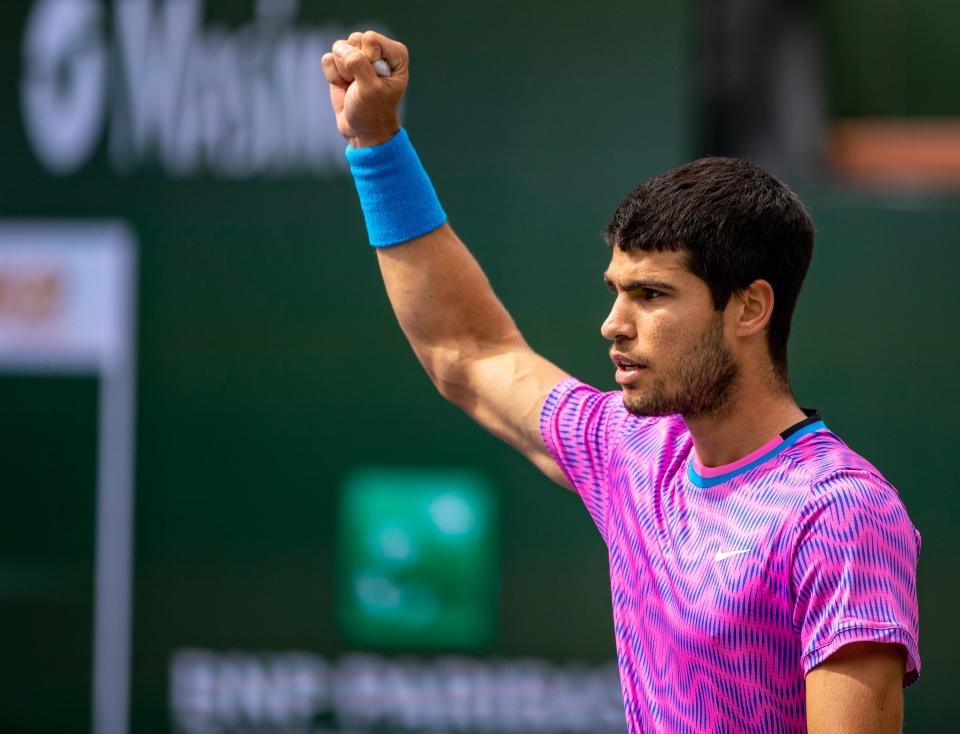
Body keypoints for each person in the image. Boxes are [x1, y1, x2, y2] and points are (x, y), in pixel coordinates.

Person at [321, 30, 921, 734]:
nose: (613, 324)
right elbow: (467, 350)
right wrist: (377, 143)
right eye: (615, 291)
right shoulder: (630, 448)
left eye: (652, 296)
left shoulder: (840, 513)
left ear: (751, 307)